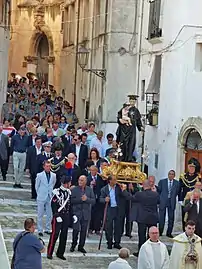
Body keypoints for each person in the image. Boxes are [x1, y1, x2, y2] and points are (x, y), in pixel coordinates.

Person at [129, 179, 159, 256]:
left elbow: (131, 198)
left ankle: (141, 252)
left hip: (142, 218)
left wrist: (124, 190)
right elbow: (159, 202)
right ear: (150, 185)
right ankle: (152, 251)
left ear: (143, 185)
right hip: (153, 217)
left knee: (142, 236)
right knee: (152, 235)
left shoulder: (140, 194)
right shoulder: (155, 194)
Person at [100, 175, 129, 249]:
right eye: (114, 180)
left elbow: (125, 195)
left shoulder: (119, 188)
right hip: (110, 209)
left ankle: (117, 242)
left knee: (118, 226)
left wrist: (124, 189)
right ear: (110, 181)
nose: (115, 181)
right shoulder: (104, 189)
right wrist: (104, 200)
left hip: (118, 209)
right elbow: (100, 199)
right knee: (108, 227)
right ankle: (109, 242)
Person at [47, 175, 71, 260]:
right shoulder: (56, 192)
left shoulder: (68, 192)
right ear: (65, 183)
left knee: (64, 235)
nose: (70, 184)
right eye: (69, 182)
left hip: (65, 217)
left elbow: (69, 205)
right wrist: (56, 215)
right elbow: (53, 205)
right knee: (55, 234)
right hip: (58, 216)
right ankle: (49, 252)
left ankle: (60, 252)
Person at [70, 175, 95, 253]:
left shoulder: (89, 190)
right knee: (76, 230)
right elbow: (71, 201)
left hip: (86, 214)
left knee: (84, 231)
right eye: (79, 180)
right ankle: (73, 245)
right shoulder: (74, 190)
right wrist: (81, 200)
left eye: (82, 180)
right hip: (77, 213)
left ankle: (81, 246)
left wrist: (86, 199)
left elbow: (93, 201)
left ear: (85, 181)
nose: (80, 182)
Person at [116, 94, 144, 162]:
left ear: (135, 102)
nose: (132, 103)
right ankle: (122, 157)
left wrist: (140, 127)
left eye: (133, 101)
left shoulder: (136, 111)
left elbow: (138, 121)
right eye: (131, 101)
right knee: (123, 143)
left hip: (132, 131)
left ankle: (129, 158)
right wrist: (120, 120)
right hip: (124, 130)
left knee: (131, 144)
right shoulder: (124, 109)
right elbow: (119, 117)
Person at [179, 158, 201, 231]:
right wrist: (180, 199)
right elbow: (180, 189)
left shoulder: (198, 177)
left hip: (196, 197)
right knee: (184, 215)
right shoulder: (183, 176)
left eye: (193, 167)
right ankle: (184, 230)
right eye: (190, 167)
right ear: (188, 167)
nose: (191, 168)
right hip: (186, 198)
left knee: (195, 214)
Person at [35, 161, 56, 237]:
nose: (48, 168)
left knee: (49, 213)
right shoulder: (39, 175)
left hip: (49, 196)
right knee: (40, 213)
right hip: (41, 195)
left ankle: (47, 228)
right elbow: (37, 186)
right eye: (47, 166)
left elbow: (53, 184)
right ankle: (40, 230)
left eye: (49, 166)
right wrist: (39, 193)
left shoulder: (53, 175)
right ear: (43, 167)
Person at [158, 170, 180, 238]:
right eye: (170, 174)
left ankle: (169, 232)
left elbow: (177, 192)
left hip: (171, 202)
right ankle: (160, 231)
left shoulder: (177, 183)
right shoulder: (162, 182)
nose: (171, 175)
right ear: (168, 175)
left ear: (174, 176)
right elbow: (159, 191)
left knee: (171, 218)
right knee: (161, 217)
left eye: (172, 174)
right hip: (163, 201)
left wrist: (172, 197)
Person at [87, 165, 107, 234]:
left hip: (98, 198)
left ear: (96, 171)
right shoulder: (88, 178)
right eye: (91, 170)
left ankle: (97, 229)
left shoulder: (100, 178)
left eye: (94, 170)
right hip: (91, 198)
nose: (92, 172)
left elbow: (103, 186)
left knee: (98, 214)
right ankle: (90, 228)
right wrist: (90, 184)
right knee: (91, 213)